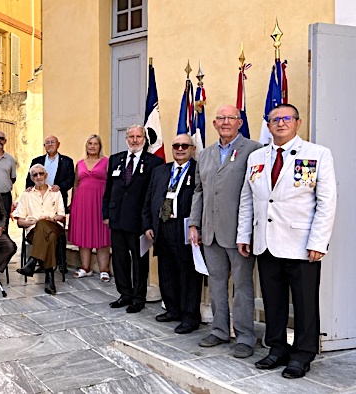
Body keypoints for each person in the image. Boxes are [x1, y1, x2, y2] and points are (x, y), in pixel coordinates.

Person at [237, 104, 336, 379]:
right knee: (273, 299)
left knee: (305, 302)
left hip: (302, 243)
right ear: (268, 125)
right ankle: (277, 347)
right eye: (274, 120)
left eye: (286, 119)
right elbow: (249, 199)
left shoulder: (317, 154)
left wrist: (319, 241)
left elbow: (326, 202)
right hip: (266, 242)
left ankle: (303, 354)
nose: (280, 123)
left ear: (297, 123)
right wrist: (244, 234)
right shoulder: (256, 157)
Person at [188, 105, 262, 358]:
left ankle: (244, 336)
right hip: (210, 231)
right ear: (214, 124)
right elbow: (199, 191)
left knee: (242, 285)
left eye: (231, 118)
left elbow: (256, 192)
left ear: (240, 123)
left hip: (238, 232)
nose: (226, 122)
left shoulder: (254, 150)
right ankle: (219, 330)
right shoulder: (205, 154)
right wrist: (194, 224)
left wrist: (248, 230)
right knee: (217, 283)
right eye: (221, 118)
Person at [142, 134, 202, 334]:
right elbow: (149, 199)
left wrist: (197, 226)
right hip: (162, 226)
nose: (180, 149)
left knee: (188, 273)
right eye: (176, 145)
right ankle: (172, 309)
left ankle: (190, 316)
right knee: (166, 270)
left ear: (192, 148)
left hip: (185, 226)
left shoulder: (198, 170)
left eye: (185, 145)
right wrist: (148, 225)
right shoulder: (160, 171)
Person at [103, 125, 162, 314]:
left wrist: (150, 222)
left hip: (139, 222)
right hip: (117, 218)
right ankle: (124, 294)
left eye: (138, 136)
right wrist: (106, 214)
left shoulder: (154, 162)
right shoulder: (115, 160)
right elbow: (109, 190)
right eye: (131, 136)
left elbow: (154, 195)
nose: (134, 140)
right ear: (126, 138)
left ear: (144, 139)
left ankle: (138, 298)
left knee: (139, 260)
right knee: (119, 259)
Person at [14, 164, 66, 294]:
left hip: (54, 226)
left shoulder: (55, 192)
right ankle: (49, 279)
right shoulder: (26, 195)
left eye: (41, 173)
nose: (38, 177)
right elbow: (19, 221)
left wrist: (51, 219)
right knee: (49, 236)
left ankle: (33, 261)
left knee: (44, 224)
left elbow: (62, 215)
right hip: (33, 232)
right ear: (31, 178)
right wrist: (34, 222)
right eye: (35, 175)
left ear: (46, 175)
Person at [69, 135, 111, 282]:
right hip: (82, 204)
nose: (92, 146)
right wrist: (73, 203)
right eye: (90, 144)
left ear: (100, 146)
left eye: (95, 144)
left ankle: (104, 269)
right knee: (84, 234)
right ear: (86, 146)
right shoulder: (79, 163)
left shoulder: (107, 162)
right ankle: (85, 268)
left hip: (100, 202)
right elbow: (75, 184)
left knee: (102, 234)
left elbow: (111, 184)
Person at [25, 135, 74, 213]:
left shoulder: (67, 161)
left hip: (58, 196)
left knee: (57, 222)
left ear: (58, 144)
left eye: (52, 142)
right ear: (44, 146)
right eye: (47, 143)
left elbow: (71, 179)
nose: (50, 144)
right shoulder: (36, 161)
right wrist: (29, 187)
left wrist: (60, 186)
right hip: (39, 197)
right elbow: (30, 178)